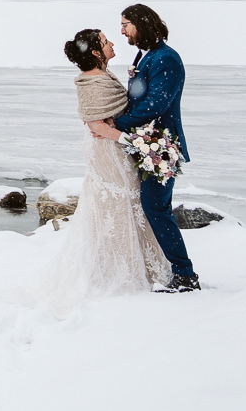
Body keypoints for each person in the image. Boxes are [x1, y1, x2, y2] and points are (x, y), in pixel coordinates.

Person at [36, 25, 171, 311]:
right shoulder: (91, 81)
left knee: (128, 201)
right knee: (115, 202)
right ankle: (114, 271)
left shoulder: (104, 75)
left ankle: (140, 267)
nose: (113, 45)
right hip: (106, 149)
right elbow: (96, 124)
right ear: (96, 53)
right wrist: (132, 140)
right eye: (107, 43)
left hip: (115, 145)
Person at [87, 2, 200, 293]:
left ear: (142, 23)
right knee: (151, 207)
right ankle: (162, 268)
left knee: (156, 208)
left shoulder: (166, 59)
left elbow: (156, 104)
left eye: (126, 24)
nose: (122, 31)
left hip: (161, 147)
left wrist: (116, 123)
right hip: (143, 145)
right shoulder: (146, 55)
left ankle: (186, 275)